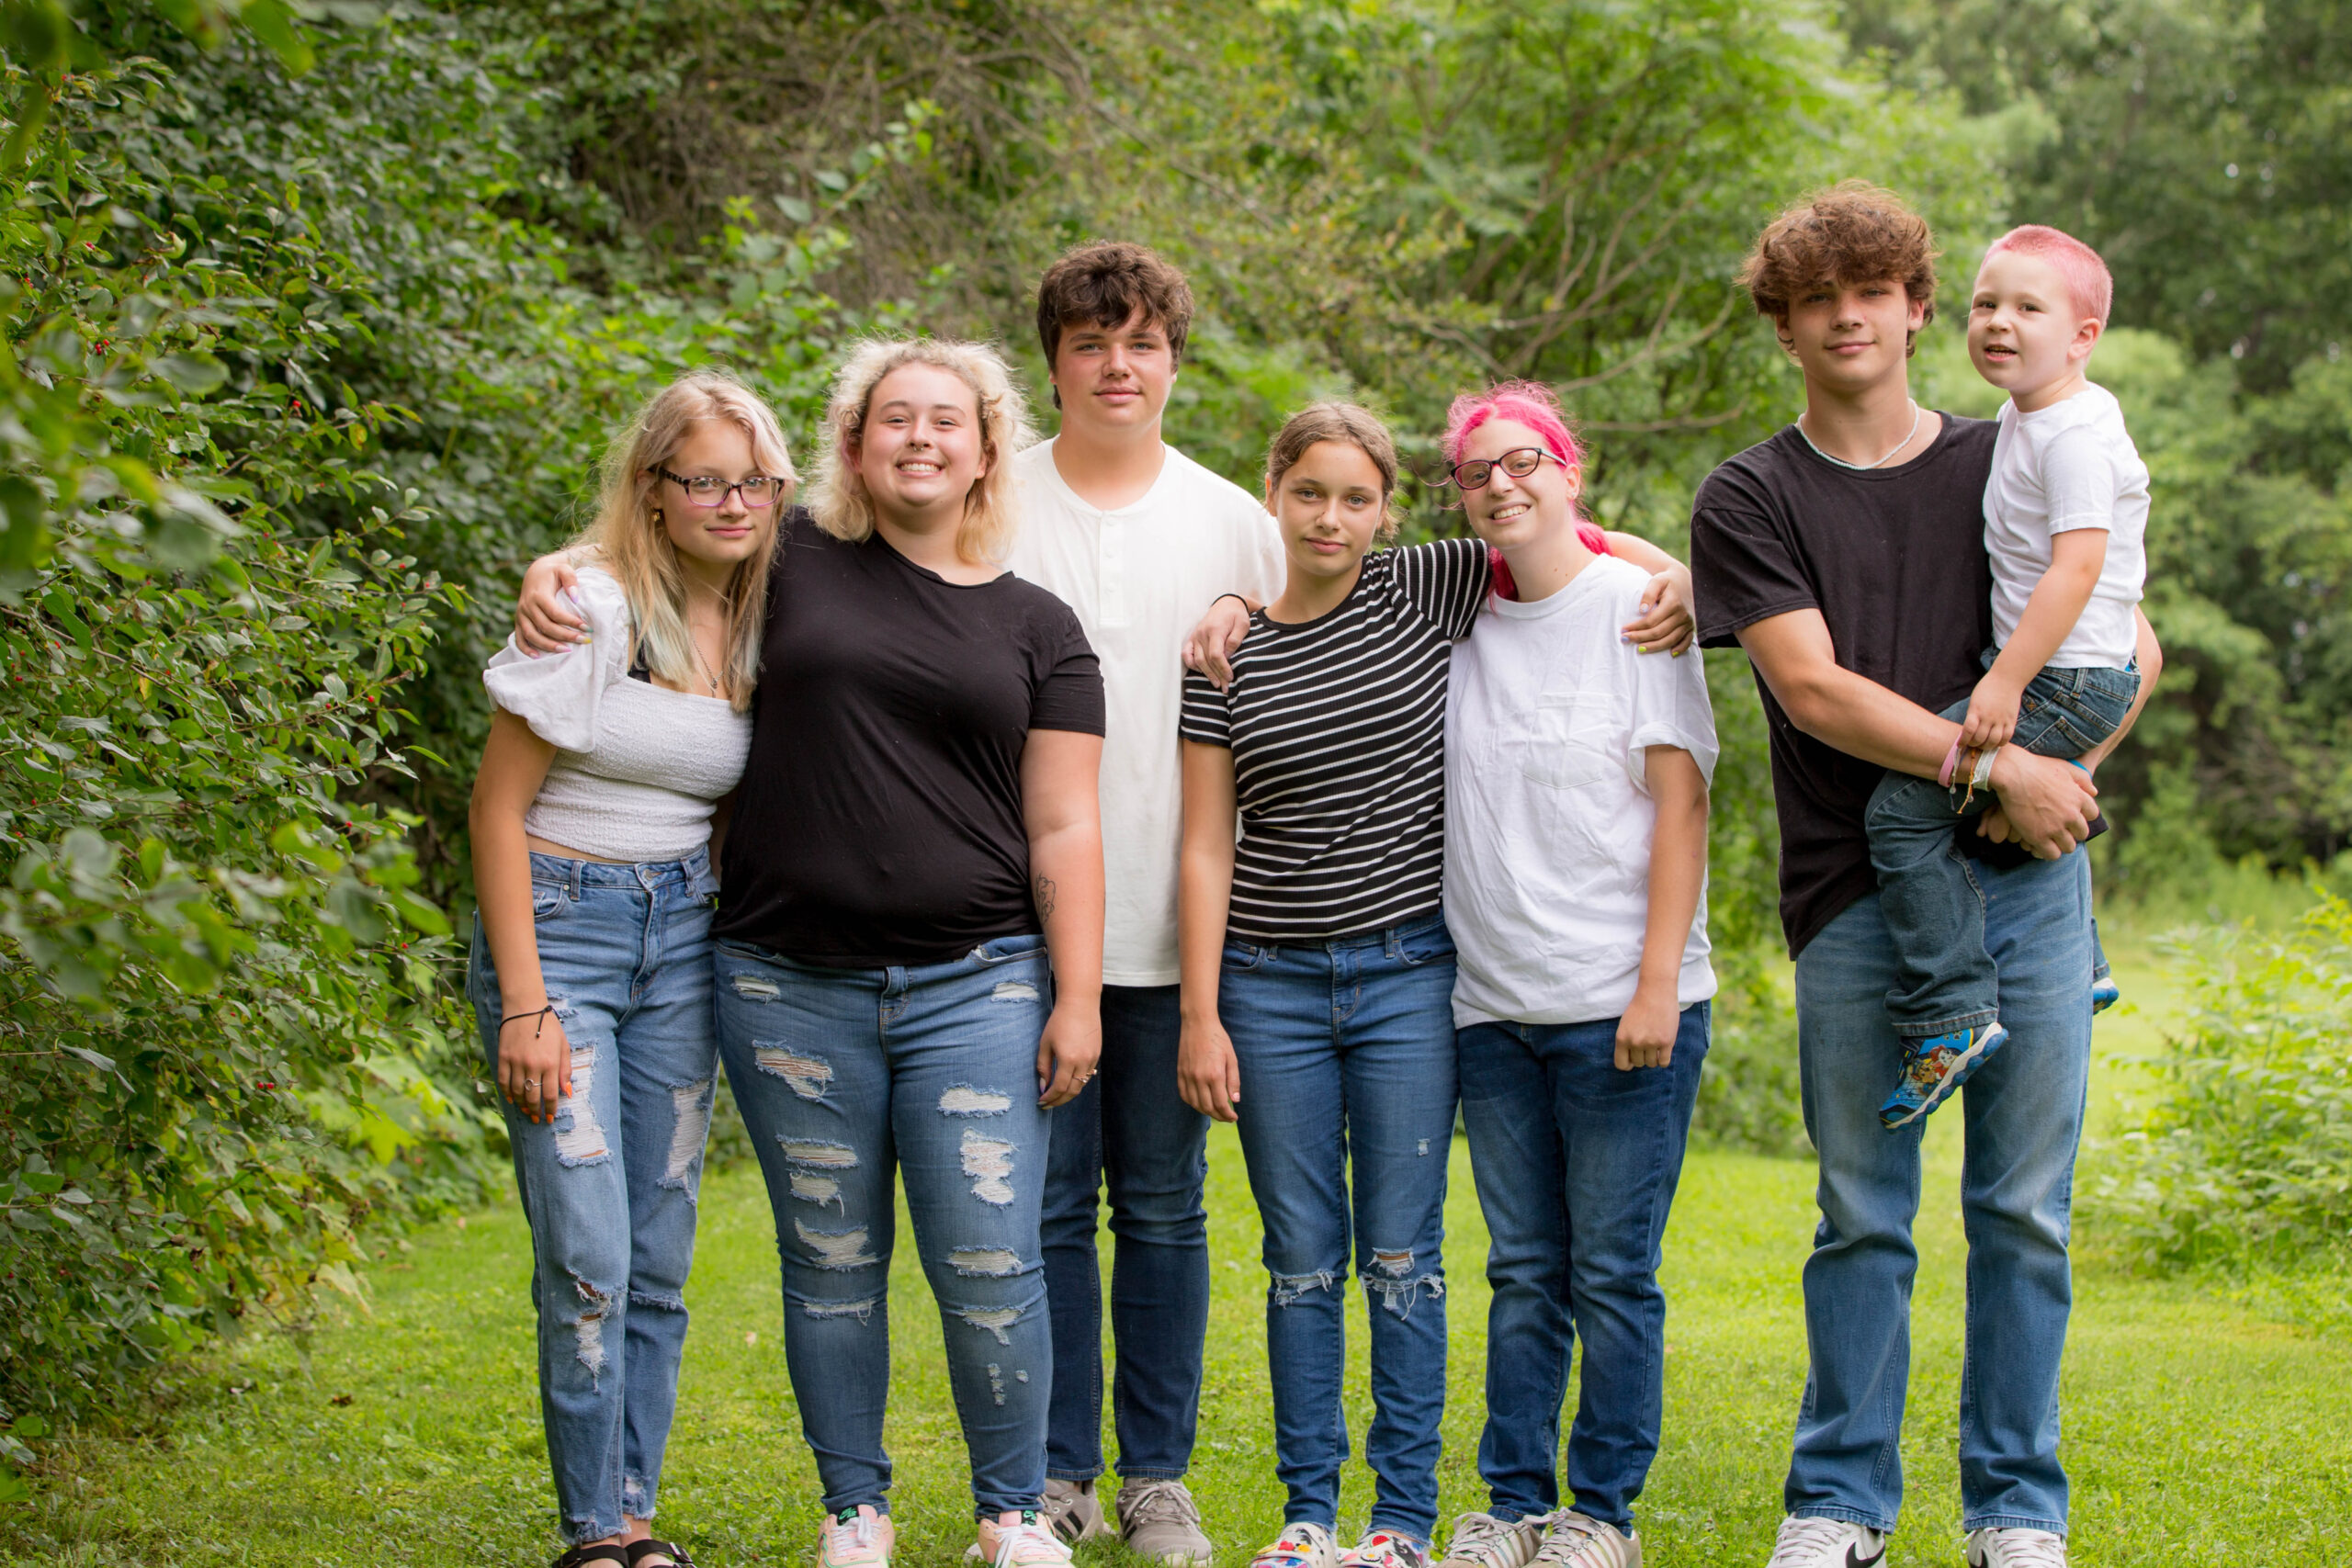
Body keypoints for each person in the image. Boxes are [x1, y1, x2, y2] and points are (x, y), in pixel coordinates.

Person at [519, 339, 1109, 1568]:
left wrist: (1081, 993)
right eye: (894, 418)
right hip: (787, 983)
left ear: (987, 449)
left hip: (980, 979)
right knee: (832, 1259)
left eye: (948, 421)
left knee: (991, 1256)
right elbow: (648, 545)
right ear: (850, 444)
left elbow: (1066, 821)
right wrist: (552, 571)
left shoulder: (1041, 627)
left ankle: (1011, 1511)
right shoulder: (785, 568)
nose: (920, 439)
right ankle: (855, 1508)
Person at [1685, 183, 2160, 1568]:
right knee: (1862, 1213)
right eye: (1816, 296)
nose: (1847, 313)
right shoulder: (1751, 493)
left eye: (1873, 288)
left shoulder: (2011, 454)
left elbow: (2134, 642)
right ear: (1787, 325)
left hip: (2024, 884)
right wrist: (1994, 762)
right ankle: (1837, 1502)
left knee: (2021, 1212)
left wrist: (2059, 776)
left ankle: (2016, 1509)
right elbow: (1818, 691)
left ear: (1912, 308)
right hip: (1853, 892)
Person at [468, 368, 782, 1568]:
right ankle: (594, 1527)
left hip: (688, 940)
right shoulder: (587, 609)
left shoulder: (762, 609)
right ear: (652, 489)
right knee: (589, 1242)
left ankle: (629, 1515)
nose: (730, 500)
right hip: (566, 929)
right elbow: (495, 811)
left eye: (752, 479)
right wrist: (527, 1001)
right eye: (702, 478)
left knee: (659, 1247)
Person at [1176, 403, 1488, 1568]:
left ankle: (1398, 1522)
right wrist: (1201, 1013)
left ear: (1386, 511)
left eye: (1357, 497)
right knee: (1300, 1259)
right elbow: (1207, 844)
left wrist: (1670, 582)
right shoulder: (1224, 649)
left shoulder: (1421, 589)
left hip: (1409, 972)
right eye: (1310, 491)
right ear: (1274, 493)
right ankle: (1309, 1515)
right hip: (1266, 986)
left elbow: (1570, 540)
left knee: (1404, 1258)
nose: (1332, 517)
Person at [1429, 384, 1716, 1568]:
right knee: (1521, 1270)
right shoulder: (1453, 622)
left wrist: (1654, 981)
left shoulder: (1636, 612)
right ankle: (1507, 1503)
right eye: (1476, 471)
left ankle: (1600, 1515)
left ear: (1569, 469)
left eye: (1523, 461)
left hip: (1622, 1005)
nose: (1502, 484)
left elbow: (1682, 805)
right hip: (1492, 1009)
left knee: (1610, 1271)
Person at [1862, 223, 2149, 1128]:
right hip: (2064, 673)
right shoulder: (2037, 418)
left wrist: (2003, 685)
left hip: (2055, 677)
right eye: (1986, 303)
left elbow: (2076, 569)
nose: (1998, 322)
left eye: (2029, 307)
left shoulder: (2068, 436)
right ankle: (2084, 958)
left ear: (2081, 336)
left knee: (1900, 812)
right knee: (1980, 817)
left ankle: (1950, 1016)